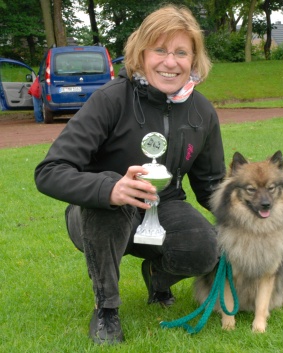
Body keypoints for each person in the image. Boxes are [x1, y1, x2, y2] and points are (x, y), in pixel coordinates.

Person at [34, 4, 225, 345]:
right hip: (100, 212)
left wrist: (250, 219)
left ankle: (158, 277)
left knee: (206, 248)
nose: (171, 61)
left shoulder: (202, 110)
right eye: (160, 50)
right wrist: (108, 188)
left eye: (182, 52)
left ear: (194, 60)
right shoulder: (110, 99)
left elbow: (211, 184)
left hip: (163, 206)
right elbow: (49, 171)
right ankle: (106, 309)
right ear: (141, 52)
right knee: (109, 210)